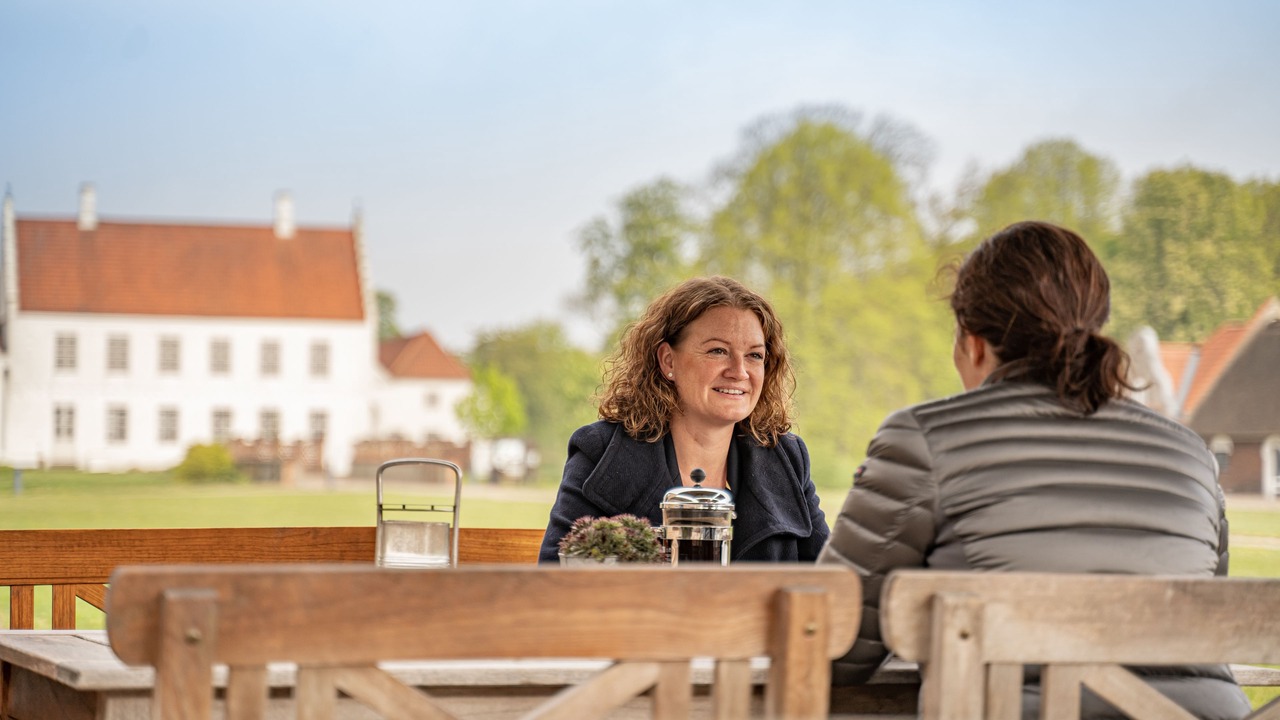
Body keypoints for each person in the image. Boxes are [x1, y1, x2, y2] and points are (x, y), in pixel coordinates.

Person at [818, 221, 1250, 719]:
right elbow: (1211, 620)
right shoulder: (1192, 455)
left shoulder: (924, 438)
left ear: (974, 342)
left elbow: (833, 644)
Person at [539, 276, 829, 563]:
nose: (739, 371)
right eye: (718, 351)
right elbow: (556, 583)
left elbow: (831, 579)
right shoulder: (601, 452)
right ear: (668, 361)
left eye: (754, 355)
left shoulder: (787, 458)